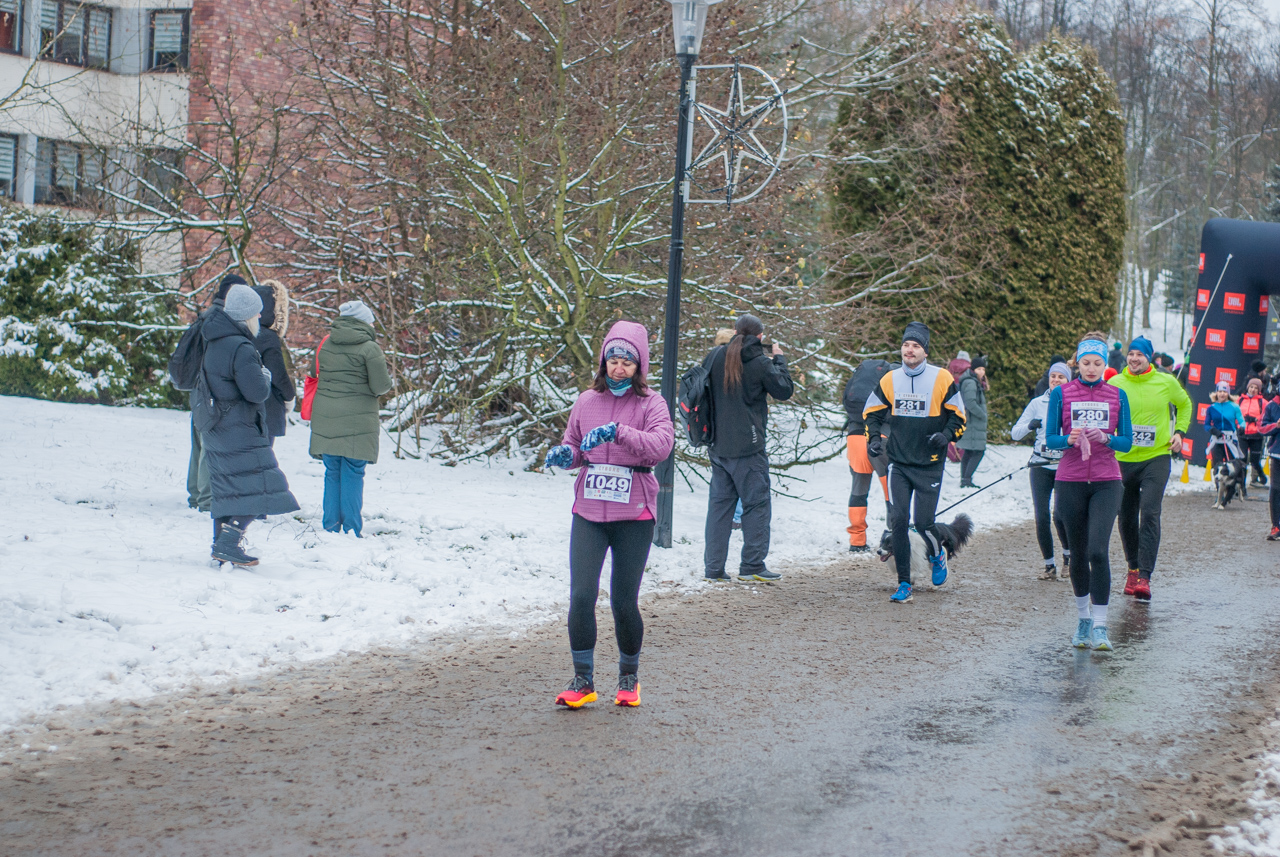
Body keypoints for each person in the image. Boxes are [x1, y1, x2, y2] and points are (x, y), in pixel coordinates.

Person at [543, 321, 674, 709]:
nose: (619, 368)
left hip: (634, 513)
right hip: (589, 510)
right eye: (613, 360)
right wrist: (566, 455)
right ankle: (582, 679)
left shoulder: (652, 404)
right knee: (582, 595)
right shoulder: (586, 400)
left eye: (627, 362)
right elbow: (575, 445)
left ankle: (628, 677)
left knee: (623, 600)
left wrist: (618, 432)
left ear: (639, 367)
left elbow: (661, 446)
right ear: (603, 362)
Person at [864, 321, 967, 603]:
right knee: (898, 521)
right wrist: (873, 437)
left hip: (929, 464)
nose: (909, 350)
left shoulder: (942, 378)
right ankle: (904, 584)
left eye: (916, 346)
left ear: (925, 351)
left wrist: (946, 436)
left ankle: (938, 554)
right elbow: (871, 412)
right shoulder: (890, 379)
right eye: (906, 345)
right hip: (899, 462)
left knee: (923, 522)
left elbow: (959, 417)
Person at [200, 284, 300, 566]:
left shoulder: (214, 341)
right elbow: (256, 392)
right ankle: (229, 542)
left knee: (228, 489)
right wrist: (265, 376)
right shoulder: (241, 347)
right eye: (256, 313)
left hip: (218, 425)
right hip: (240, 427)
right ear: (246, 315)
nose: (259, 318)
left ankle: (220, 545)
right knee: (264, 486)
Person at [1046, 332, 1133, 652]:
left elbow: (1127, 442)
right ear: (1077, 364)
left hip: (1106, 480)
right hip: (1069, 480)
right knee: (1079, 553)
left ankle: (1100, 625)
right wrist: (1068, 439)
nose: (1092, 369)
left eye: (1097, 363)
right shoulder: (1061, 393)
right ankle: (1083, 619)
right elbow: (1050, 438)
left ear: (1105, 364)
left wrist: (1107, 438)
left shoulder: (1118, 395)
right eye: (1086, 363)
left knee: (1098, 550)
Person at [701, 314, 795, 583]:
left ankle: (714, 569)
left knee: (719, 509)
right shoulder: (761, 362)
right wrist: (780, 359)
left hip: (718, 446)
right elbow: (784, 390)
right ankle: (752, 565)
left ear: (735, 331)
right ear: (760, 337)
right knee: (757, 505)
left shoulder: (715, 356)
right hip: (749, 448)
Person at [1107, 336, 1192, 602]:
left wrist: (1179, 432)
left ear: (1149, 358)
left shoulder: (1166, 381)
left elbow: (1185, 404)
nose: (1134, 359)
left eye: (1140, 355)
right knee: (1126, 516)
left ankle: (1144, 577)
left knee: (1150, 513)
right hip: (1123, 459)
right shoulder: (1115, 383)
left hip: (1156, 456)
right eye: (1131, 354)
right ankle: (1132, 569)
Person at [308, 300, 393, 537]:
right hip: (357, 420)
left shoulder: (326, 344)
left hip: (326, 417)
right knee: (354, 472)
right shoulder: (369, 348)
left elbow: (314, 373)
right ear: (363, 322)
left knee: (332, 472)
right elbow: (380, 386)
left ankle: (330, 527)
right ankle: (351, 529)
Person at [183, 273, 247, 511]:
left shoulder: (207, 316)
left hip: (198, 389)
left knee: (198, 444)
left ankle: (195, 495)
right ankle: (206, 500)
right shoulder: (222, 320)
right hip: (209, 390)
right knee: (209, 445)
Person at [1011, 360, 1071, 580]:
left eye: (1061, 377)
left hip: (1064, 466)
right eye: (1053, 376)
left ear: (1068, 380)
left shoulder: (1074, 402)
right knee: (1042, 516)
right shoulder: (1037, 403)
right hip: (1039, 465)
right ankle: (1049, 566)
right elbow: (1014, 433)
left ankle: (1068, 559)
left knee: (1061, 515)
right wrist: (1030, 426)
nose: (1056, 380)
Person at [842, 358, 894, 553]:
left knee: (858, 490)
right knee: (891, 490)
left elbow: (845, 402)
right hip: (880, 438)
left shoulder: (859, 378)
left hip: (855, 436)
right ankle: (893, 536)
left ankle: (857, 540)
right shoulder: (894, 378)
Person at [251, 281, 297, 445]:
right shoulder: (268, 337)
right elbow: (278, 374)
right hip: (266, 409)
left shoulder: (240, 331)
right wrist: (289, 397)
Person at [956, 355, 989, 488]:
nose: (982, 372)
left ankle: (965, 479)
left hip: (972, 422)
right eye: (979, 369)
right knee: (978, 451)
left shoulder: (972, 381)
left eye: (983, 369)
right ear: (973, 369)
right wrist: (982, 415)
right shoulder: (971, 382)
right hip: (973, 422)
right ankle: (967, 479)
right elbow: (970, 402)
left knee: (969, 451)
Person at [1204, 381, 1245, 472]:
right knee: (1217, 466)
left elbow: (1242, 421)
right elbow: (1206, 425)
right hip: (1217, 439)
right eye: (1220, 391)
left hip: (1230, 440)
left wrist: (1242, 428)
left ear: (1228, 393)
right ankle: (1218, 480)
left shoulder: (1234, 407)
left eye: (1225, 392)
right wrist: (1213, 430)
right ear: (1216, 393)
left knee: (1232, 467)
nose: (1222, 394)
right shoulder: (1211, 408)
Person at [1237, 376, 1269, 487]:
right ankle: (1242, 485)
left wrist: (1255, 419)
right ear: (1248, 387)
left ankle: (1262, 476)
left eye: (1256, 388)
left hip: (1256, 435)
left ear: (1259, 390)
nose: (1253, 390)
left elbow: (1266, 417)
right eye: (1251, 387)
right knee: (1242, 460)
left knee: (1255, 461)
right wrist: (1238, 425)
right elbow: (1235, 414)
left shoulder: (1262, 402)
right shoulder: (1240, 400)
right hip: (1242, 434)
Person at [1260, 391, 1280, 540]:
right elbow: (1261, 428)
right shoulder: (1272, 406)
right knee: (1276, 489)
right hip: (1277, 454)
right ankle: (1276, 526)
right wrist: (1276, 425)